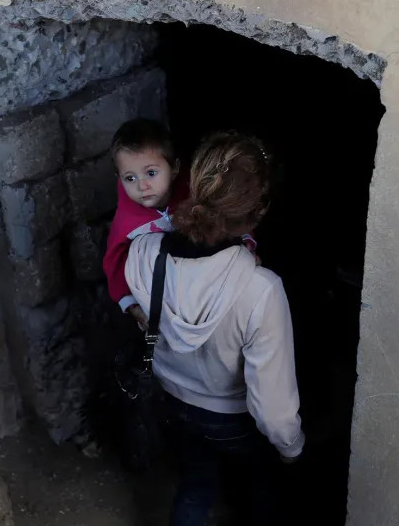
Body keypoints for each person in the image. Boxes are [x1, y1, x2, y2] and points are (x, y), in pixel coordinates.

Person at [124, 132, 305, 526]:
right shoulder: (261, 290)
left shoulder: (143, 252)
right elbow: (273, 408)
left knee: (196, 484)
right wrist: (291, 448)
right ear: (258, 210)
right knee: (263, 489)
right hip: (231, 418)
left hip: (172, 399)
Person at [103, 119, 257, 330]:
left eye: (151, 173)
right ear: (119, 178)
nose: (142, 186)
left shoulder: (193, 194)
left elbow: (228, 210)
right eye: (130, 178)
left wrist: (245, 244)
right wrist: (130, 303)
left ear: (174, 168)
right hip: (164, 303)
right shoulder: (127, 218)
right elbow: (114, 259)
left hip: (209, 286)